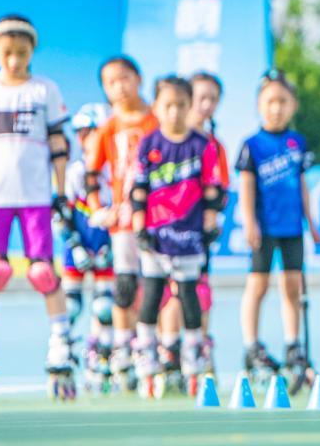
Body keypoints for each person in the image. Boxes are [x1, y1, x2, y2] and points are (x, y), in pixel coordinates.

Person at [0, 15, 75, 400]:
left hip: (35, 197)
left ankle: (61, 339)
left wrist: (60, 193)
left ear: (32, 52)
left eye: (21, 53)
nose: (13, 61)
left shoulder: (44, 90)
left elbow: (59, 146)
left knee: (43, 272)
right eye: (7, 53)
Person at [130, 76, 223, 397]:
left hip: (188, 233)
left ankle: (192, 352)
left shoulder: (201, 145)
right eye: (167, 105)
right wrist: (140, 227)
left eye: (181, 105)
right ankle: (147, 354)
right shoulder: (150, 144)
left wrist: (210, 224)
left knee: (189, 295)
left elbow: (213, 190)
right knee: (153, 296)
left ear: (190, 106)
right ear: (156, 107)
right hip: (156, 235)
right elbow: (138, 189)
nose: (174, 112)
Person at [237, 70, 320, 384]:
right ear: (259, 105)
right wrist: (249, 222)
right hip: (265, 227)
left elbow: (301, 185)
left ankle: (292, 344)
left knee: (292, 286)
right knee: (257, 286)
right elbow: (246, 187)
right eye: (270, 101)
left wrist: (311, 223)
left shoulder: (296, 143)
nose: (276, 108)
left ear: (293, 105)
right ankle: (251, 344)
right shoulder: (252, 145)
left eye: (283, 101)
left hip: (291, 227)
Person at [84, 55, 158, 389]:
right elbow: (90, 174)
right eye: (111, 82)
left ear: (139, 78)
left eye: (124, 78)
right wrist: (98, 208)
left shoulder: (156, 121)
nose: (119, 87)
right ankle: (123, 349)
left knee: (157, 285)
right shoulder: (108, 128)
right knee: (125, 286)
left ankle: (152, 348)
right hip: (124, 223)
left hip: (158, 220)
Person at [157, 71, 229, 383]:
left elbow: (219, 190)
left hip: (196, 232)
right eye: (200, 98)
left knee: (198, 290)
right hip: (164, 230)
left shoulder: (213, 145)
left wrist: (210, 219)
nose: (205, 105)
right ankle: (167, 348)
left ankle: (198, 343)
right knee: (165, 292)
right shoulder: (163, 141)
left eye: (212, 99)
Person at [59, 103, 115, 393]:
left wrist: (114, 247)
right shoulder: (74, 172)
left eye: (90, 133)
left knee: (105, 307)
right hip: (78, 248)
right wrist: (75, 246)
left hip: (106, 248)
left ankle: (100, 356)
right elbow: (62, 215)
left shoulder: (114, 171)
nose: (83, 140)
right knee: (69, 306)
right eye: (79, 134)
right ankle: (63, 355)